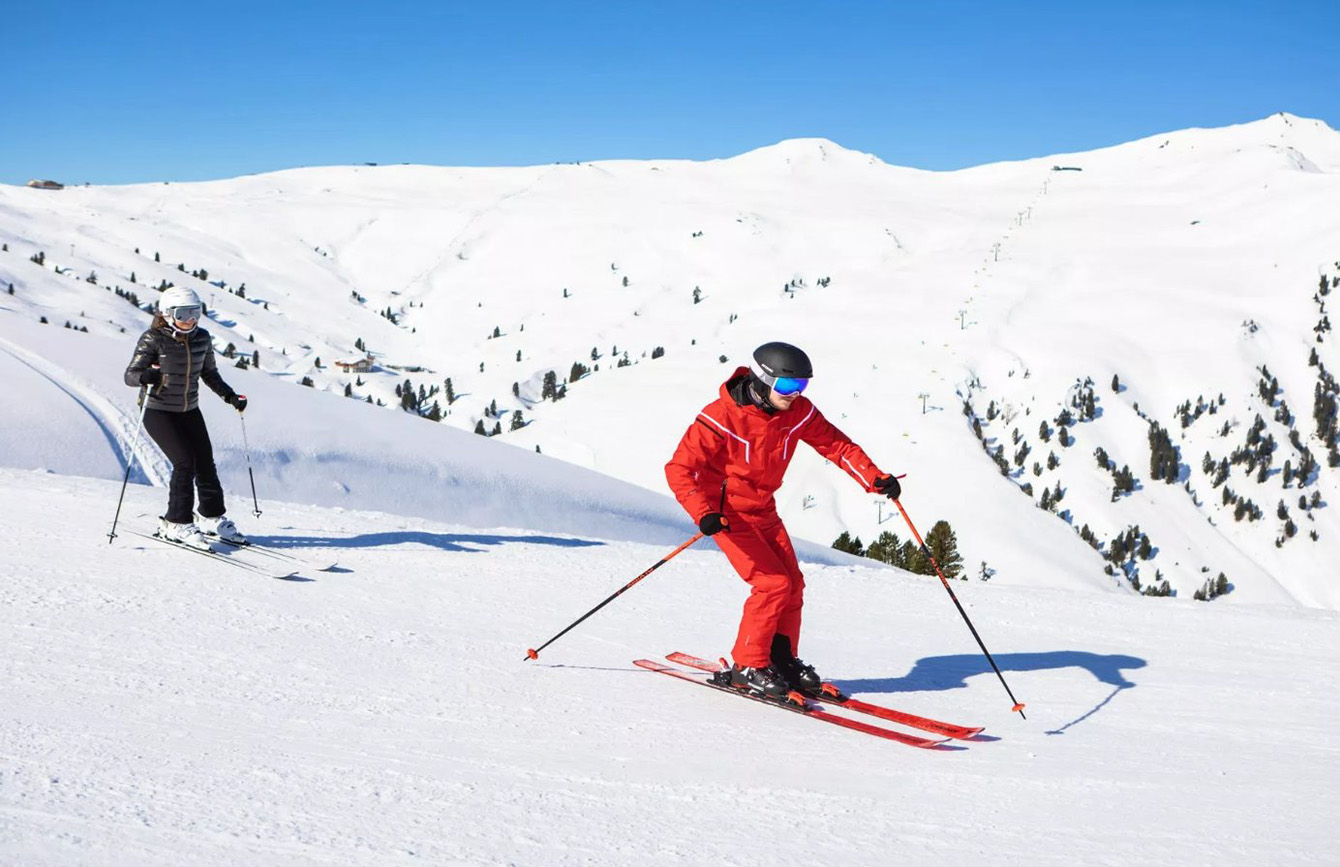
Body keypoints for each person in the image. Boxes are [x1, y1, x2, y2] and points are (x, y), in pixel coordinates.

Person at [665, 341, 902, 698]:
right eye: (789, 387)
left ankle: (779, 658)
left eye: (802, 386)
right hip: (727, 514)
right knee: (771, 584)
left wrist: (874, 477)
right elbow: (679, 469)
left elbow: (836, 445)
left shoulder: (798, 413)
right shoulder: (720, 417)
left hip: (763, 509)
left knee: (793, 584)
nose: (795, 394)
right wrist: (704, 512)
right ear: (762, 380)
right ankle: (747, 665)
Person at [123, 287, 250, 549]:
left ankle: (210, 517)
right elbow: (130, 375)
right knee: (184, 463)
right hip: (158, 411)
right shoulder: (153, 339)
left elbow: (210, 374)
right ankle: (176, 523)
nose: (191, 319)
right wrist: (145, 376)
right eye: (184, 313)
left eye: (196, 312)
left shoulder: (202, 338)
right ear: (168, 314)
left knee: (205, 461)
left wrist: (230, 396)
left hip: (189, 409)